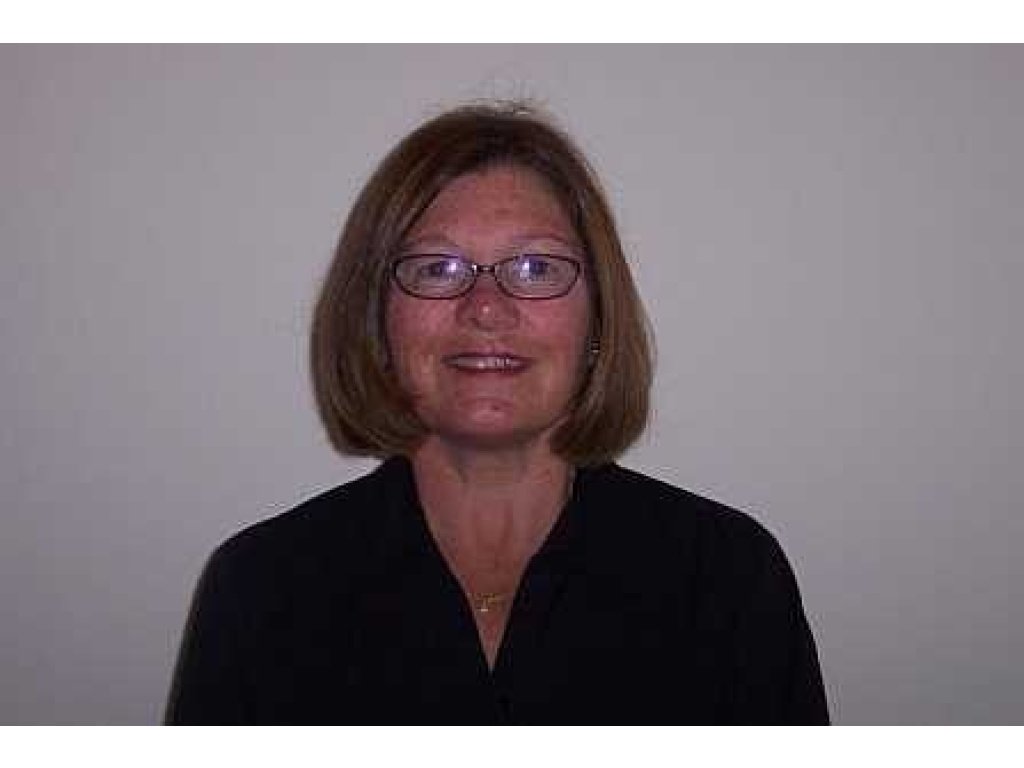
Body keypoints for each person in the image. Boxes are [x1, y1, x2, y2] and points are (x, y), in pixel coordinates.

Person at [166, 101, 829, 724]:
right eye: (438, 268)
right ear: (377, 321)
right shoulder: (262, 588)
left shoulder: (728, 579)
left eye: (536, 267)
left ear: (598, 320)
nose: (486, 307)